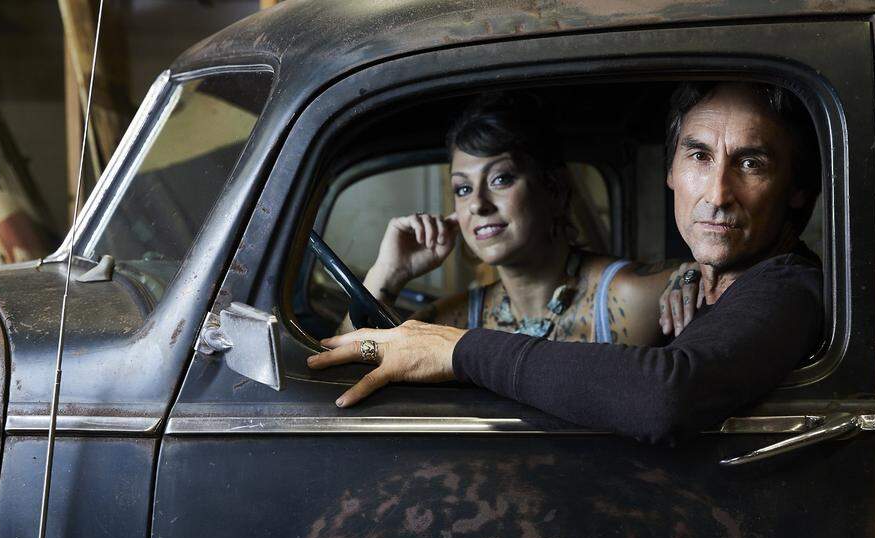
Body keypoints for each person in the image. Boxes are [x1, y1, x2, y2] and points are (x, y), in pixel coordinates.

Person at [310, 81, 824, 443]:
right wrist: (386, 276)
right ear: (670, 171)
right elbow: (335, 377)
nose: (716, 193)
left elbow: (666, 391)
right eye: (698, 156)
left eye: (751, 163)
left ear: (555, 190)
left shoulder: (758, 286)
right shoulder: (448, 316)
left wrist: (458, 351)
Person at [341, 92, 695, 345]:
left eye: (500, 179)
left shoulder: (626, 296)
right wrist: (388, 274)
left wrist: (695, 276)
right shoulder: (456, 320)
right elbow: (344, 366)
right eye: (463, 189)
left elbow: (722, 286)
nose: (477, 204)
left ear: (554, 190)